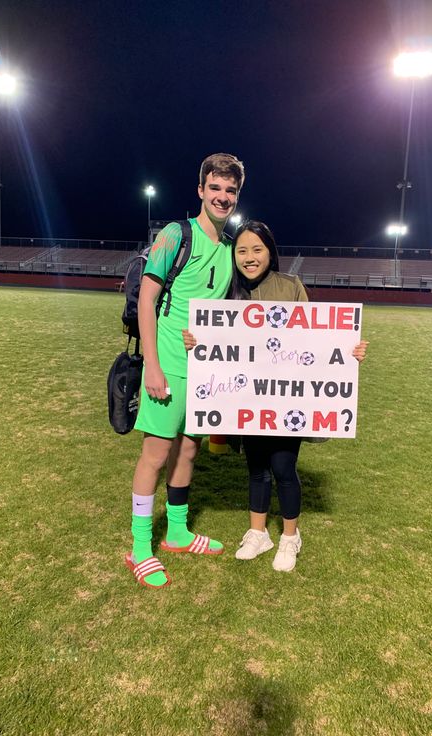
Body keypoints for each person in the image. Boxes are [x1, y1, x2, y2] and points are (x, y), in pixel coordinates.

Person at [183, 220, 368, 572]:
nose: (249, 258)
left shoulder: (291, 286)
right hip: (246, 400)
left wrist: (349, 351)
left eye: (257, 249)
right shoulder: (227, 292)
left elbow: (317, 340)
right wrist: (196, 341)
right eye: (241, 251)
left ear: (270, 251)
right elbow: (214, 341)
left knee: (283, 467)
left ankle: (289, 536)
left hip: (287, 401)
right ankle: (258, 533)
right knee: (256, 469)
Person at [125, 153, 245, 589]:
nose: (223, 197)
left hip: (206, 372)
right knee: (155, 455)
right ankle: (140, 548)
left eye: (230, 191)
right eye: (215, 188)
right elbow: (147, 301)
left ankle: (176, 532)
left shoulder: (231, 248)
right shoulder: (178, 234)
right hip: (169, 367)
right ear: (200, 190)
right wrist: (152, 366)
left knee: (189, 451)